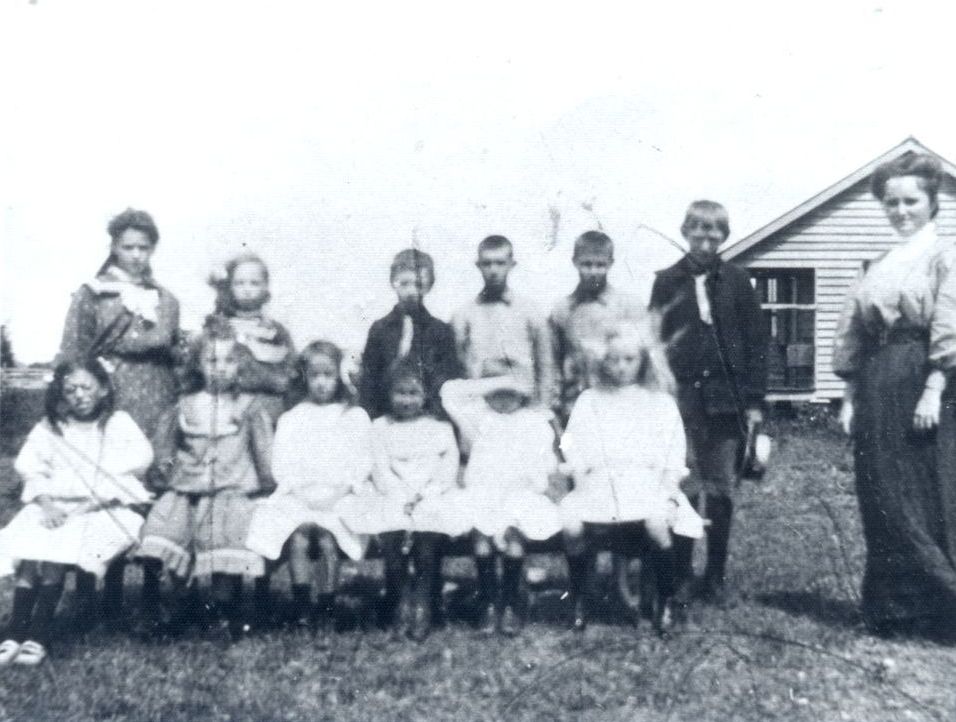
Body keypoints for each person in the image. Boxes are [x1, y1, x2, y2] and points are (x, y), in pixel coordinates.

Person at [833, 152, 956, 638]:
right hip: (877, 381)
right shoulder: (879, 263)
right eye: (892, 202)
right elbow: (853, 332)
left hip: (924, 379)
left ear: (932, 203)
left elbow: (949, 325)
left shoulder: (945, 257)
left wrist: (935, 385)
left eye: (911, 201)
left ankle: (944, 606)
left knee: (924, 493)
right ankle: (896, 610)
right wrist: (849, 395)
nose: (901, 211)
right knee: (879, 490)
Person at [57, 208, 180, 624]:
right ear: (113, 247)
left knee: (152, 484)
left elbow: (167, 341)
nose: (136, 255)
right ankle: (100, 591)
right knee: (108, 484)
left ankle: (149, 587)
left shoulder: (165, 298)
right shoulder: (92, 293)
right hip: (111, 398)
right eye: (128, 247)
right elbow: (74, 351)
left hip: (157, 398)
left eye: (144, 248)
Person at [649, 201, 767, 606]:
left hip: (725, 403)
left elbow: (757, 344)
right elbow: (654, 344)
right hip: (680, 403)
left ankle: (714, 575)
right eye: (697, 231)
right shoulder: (666, 281)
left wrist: (754, 403)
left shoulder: (736, 281)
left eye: (714, 232)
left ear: (725, 236)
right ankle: (681, 573)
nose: (705, 239)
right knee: (684, 485)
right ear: (685, 232)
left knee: (720, 489)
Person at [0, 360, 153, 666]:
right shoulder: (51, 426)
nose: (79, 395)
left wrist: (82, 508)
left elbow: (131, 468)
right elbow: (32, 469)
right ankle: (15, 631)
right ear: (61, 393)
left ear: (103, 389)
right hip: (54, 504)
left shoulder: (116, 423)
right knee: (30, 545)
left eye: (86, 387)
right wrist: (46, 503)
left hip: (105, 509)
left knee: (57, 545)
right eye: (70, 390)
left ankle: (39, 633)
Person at [560, 325, 704, 635]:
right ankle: (579, 601)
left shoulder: (660, 402)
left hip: (646, 484)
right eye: (614, 360)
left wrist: (667, 490)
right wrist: (579, 469)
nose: (621, 367)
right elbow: (571, 445)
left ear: (643, 361)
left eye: (629, 359)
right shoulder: (589, 400)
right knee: (571, 524)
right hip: (599, 485)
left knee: (656, 522)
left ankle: (665, 602)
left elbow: (673, 454)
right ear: (603, 361)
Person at [137, 325, 275, 639]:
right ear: (199, 364)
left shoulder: (249, 407)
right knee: (163, 531)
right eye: (212, 360)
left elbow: (264, 454)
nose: (221, 368)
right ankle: (178, 605)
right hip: (185, 489)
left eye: (229, 360)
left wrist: (267, 488)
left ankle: (222, 611)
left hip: (232, 491)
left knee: (224, 539)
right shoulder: (185, 404)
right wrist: (163, 474)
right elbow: (165, 450)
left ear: (241, 364)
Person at [245, 341, 372, 638]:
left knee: (328, 538)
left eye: (328, 375)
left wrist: (339, 491)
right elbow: (282, 465)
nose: (321, 383)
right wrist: (302, 493)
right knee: (299, 536)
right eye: (314, 376)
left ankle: (326, 608)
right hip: (300, 496)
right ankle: (303, 607)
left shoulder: (353, 417)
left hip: (341, 496)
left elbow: (361, 462)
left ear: (339, 377)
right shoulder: (292, 418)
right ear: (305, 378)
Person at [339, 359, 462, 641]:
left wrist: (425, 493)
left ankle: (423, 602)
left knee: (428, 539)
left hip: (431, 494)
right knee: (392, 533)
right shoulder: (380, 427)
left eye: (413, 394)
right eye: (400, 393)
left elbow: (447, 469)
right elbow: (380, 469)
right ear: (388, 394)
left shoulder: (440, 428)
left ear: (425, 396)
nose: (406, 400)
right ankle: (400, 599)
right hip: (392, 493)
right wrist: (400, 493)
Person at [440, 369, 563, 636]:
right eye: (497, 393)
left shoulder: (534, 421)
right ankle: (487, 602)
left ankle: (510, 603)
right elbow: (448, 393)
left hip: (521, 495)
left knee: (515, 537)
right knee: (481, 539)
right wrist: (495, 382)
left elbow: (545, 463)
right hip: (484, 493)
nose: (504, 399)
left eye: (512, 393)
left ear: (523, 395)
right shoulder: (479, 419)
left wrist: (536, 483)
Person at [549, 230, 645, 422]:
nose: (593, 271)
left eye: (600, 265)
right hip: (575, 405)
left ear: (611, 263)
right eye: (587, 264)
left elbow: (644, 361)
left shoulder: (629, 306)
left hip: (619, 402)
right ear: (575, 262)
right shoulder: (562, 310)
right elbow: (553, 363)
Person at [451, 235, 556, 408]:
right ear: (478, 266)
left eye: (500, 263)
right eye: (487, 263)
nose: (493, 270)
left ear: (511, 265)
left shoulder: (530, 311)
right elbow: (458, 366)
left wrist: (542, 408)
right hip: (479, 409)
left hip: (523, 405)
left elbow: (546, 366)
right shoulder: (463, 315)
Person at [359, 248, 461, 420]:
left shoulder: (440, 331)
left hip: (427, 417)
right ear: (393, 282)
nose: (412, 291)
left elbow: (447, 379)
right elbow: (369, 381)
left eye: (419, 284)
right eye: (404, 283)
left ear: (429, 286)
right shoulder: (380, 329)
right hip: (386, 417)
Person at [206, 253, 297, 425]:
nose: (247, 289)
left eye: (254, 283)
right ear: (229, 287)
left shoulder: (275, 331)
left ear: (265, 287)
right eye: (239, 283)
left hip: (267, 406)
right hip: (226, 405)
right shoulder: (220, 326)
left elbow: (290, 372)